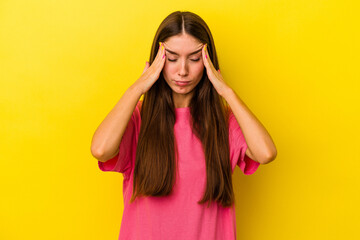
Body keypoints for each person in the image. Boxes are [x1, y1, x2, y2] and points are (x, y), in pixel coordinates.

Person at [91, 10, 277, 240]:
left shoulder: (223, 122)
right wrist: (137, 88)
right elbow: (100, 149)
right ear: (158, 60)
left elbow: (266, 152)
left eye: (194, 58)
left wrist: (226, 91)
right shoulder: (139, 119)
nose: (182, 70)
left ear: (208, 61)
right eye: (171, 58)